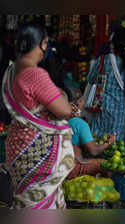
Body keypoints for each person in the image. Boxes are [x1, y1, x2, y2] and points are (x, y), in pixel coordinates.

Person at [2, 24, 78, 209]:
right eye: (46, 43)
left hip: (18, 146)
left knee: (28, 200)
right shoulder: (35, 74)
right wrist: (70, 103)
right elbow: (64, 110)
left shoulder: (10, 72)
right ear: (41, 45)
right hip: (38, 150)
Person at [86, 25, 125, 141]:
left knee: (99, 138)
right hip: (123, 108)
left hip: (103, 106)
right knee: (116, 140)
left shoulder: (103, 59)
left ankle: (97, 157)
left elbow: (90, 79)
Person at [63, 92, 116, 179]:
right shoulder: (79, 123)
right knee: (106, 165)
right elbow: (93, 151)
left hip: (59, 163)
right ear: (76, 103)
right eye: (82, 101)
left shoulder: (60, 119)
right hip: (70, 167)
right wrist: (108, 143)